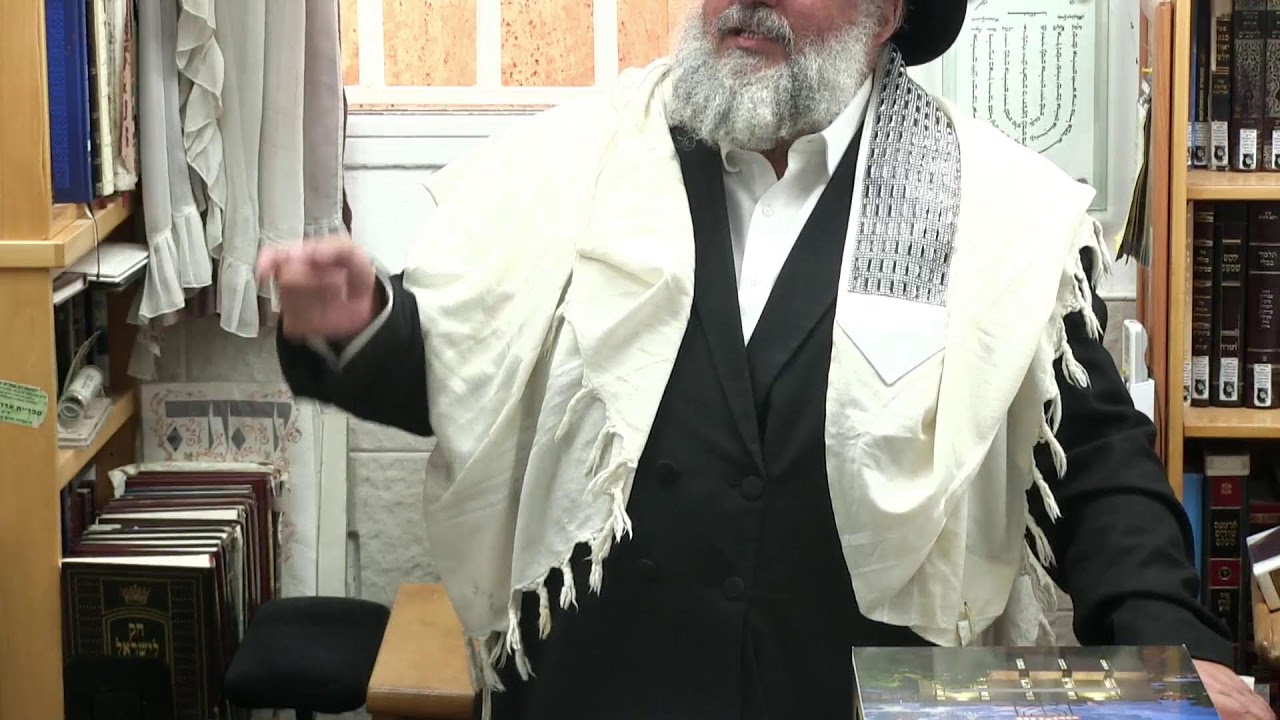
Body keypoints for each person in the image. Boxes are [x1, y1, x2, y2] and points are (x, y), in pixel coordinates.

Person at [259, 0, 1272, 718]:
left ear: (888, 14)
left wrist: (1174, 662)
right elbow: (459, 370)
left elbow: (1091, 469)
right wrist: (357, 323)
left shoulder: (993, 211)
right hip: (601, 690)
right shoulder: (571, 167)